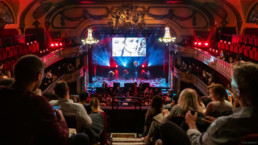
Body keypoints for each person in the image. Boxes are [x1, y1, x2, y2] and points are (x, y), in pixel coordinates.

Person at [166, 62, 258, 145]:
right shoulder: (226, 122)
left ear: (238, 92)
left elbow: (197, 143)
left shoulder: (225, 124)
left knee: (166, 126)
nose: (230, 88)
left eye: (232, 85)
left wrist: (192, 125)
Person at [0, 55, 69, 145]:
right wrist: (62, 120)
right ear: (38, 76)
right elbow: (61, 139)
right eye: (43, 75)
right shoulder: (37, 102)